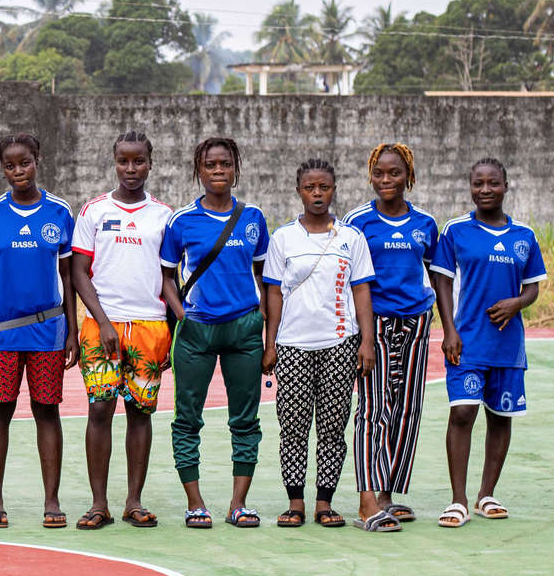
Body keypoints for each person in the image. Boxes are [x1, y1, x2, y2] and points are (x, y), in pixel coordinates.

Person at [159, 136, 270, 530]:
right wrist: (181, 315)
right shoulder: (181, 221)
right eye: (210, 165)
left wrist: (265, 330)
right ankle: (195, 503)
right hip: (197, 330)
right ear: (198, 171)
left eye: (225, 164)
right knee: (187, 418)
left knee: (246, 419)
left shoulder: (254, 218)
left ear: (236, 168)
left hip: (244, 329)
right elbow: (167, 278)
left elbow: (264, 278)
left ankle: (238, 503)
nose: (219, 171)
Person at [429, 158, 547, 528]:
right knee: (463, 413)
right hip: (467, 341)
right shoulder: (456, 231)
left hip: (507, 346)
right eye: (478, 183)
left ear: (505, 186)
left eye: (492, 183)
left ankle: (486, 494)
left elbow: (532, 287)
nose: (485, 189)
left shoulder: (524, 236)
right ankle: (458, 500)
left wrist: (518, 303)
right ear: (470, 187)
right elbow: (443, 283)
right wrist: (449, 330)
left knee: (500, 417)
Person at [262, 159, 377, 530]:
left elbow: (360, 290)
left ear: (334, 190)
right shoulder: (283, 238)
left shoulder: (351, 238)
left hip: (340, 344)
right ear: (299, 191)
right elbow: (274, 294)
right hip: (293, 345)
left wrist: (367, 340)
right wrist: (272, 342)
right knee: (293, 425)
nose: (317, 194)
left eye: (323, 187)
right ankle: (295, 503)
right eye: (310, 187)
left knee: (332, 427)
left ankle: (324, 503)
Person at [70, 131, 176, 530]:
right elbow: (79, 273)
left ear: (151, 162)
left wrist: (170, 329)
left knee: (140, 411)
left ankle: (134, 499)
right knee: (100, 409)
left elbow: (169, 276)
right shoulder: (94, 211)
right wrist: (102, 320)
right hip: (102, 326)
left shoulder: (164, 216)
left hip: (150, 326)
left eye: (139, 161)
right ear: (114, 162)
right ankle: (99, 503)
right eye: (124, 161)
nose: (131, 169)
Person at [0, 133, 78, 530]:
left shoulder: (58, 212)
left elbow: (68, 277)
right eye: (10, 165)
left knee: (46, 410)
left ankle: (51, 500)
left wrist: (71, 329)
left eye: (25, 163)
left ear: (38, 160)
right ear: (1, 168)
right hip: (1, 332)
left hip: (48, 330)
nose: (19, 171)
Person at [344, 142, 449, 530]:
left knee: (407, 409)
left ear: (409, 177)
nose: (386, 180)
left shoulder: (425, 223)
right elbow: (351, 280)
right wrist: (363, 336)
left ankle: (388, 492)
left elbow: (435, 274)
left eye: (394, 173)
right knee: (373, 409)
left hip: (417, 322)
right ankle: (367, 500)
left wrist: (444, 324)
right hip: (374, 324)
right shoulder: (358, 222)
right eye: (379, 173)